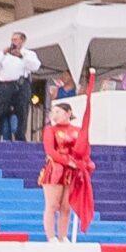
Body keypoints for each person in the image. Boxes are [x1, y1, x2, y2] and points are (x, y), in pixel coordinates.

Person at [39, 94, 95, 243]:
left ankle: (63, 236)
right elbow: (50, 151)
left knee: (65, 206)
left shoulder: (78, 130)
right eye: (53, 112)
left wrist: (83, 163)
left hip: (71, 171)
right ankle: (51, 237)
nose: (54, 115)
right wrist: (68, 161)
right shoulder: (50, 130)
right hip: (55, 169)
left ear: (68, 113)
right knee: (52, 204)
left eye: (58, 112)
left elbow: (83, 149)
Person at [0, 31, 34, 140]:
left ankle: (20, 138)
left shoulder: (28, 54)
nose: (13, 42)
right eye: (12, 39)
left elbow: (35, 66)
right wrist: (3, 54)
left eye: (16, 39)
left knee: (22, 112)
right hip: (5, 85)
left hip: (21, 85)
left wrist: (21, 56)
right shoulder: (3, 54)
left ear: (22, 41)